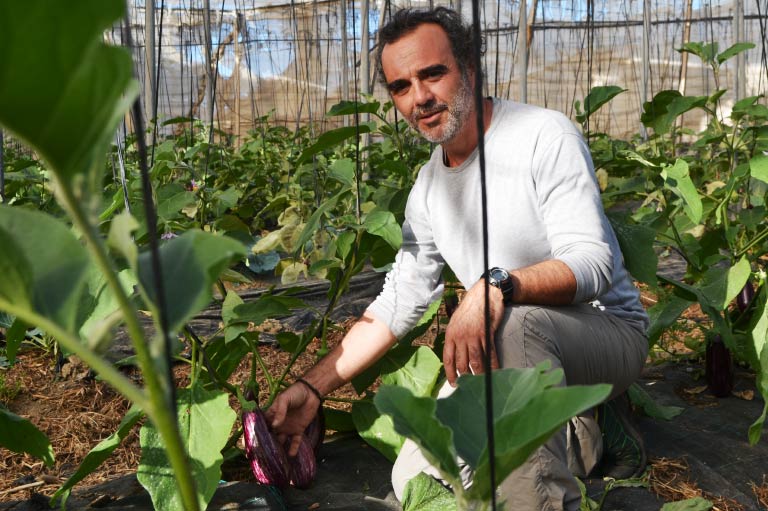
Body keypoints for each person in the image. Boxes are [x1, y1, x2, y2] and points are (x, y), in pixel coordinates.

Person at [266, 7, 650, 510]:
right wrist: (312, 388)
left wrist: (493, 285)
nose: (419, 98)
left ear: (470, 68)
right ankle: (586, 430)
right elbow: (398, 301)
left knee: (514, 330)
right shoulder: (428, 189)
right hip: (509, 349)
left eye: (432, 74)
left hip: (603, 336)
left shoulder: (543, 136)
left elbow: (593, 263)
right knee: (419, 481)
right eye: (401, 86)